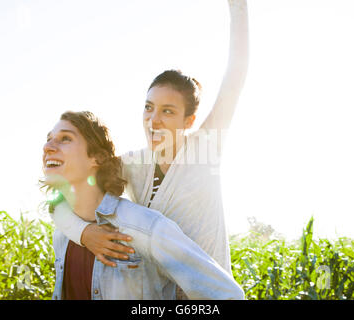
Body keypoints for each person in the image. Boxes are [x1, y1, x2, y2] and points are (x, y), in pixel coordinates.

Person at [52, 0, 249, 299]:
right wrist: (84, 234)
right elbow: (64, 201)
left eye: (167, 111)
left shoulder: (205, 149)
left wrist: (238, 7)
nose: (153, 119)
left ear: (189, 120)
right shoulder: (132, 164)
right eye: (148, 107)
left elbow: (236, 74)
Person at [43, 111, 244, 300]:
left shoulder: (145, 227)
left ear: (98, 157)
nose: (48, 147)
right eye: (48, 139)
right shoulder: (62, 234)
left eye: (65, 139)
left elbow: (228, 294)